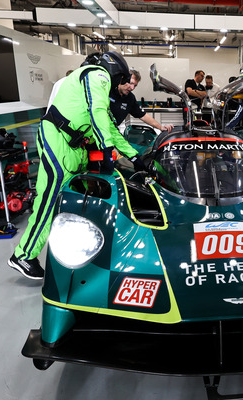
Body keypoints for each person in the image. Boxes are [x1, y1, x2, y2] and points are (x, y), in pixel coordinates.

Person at [8, 51, 143, 280]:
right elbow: (98, 112)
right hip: (58, 139)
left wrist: (136, 157)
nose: (119, 85)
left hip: (73, 147)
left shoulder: (92, 84)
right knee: (49, 198)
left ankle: (73, 252)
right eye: (121, 79)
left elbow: (109, 127)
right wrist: (107, 149)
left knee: (70, 202)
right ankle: (23, 255)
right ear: (115, 72)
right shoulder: (96, 74)